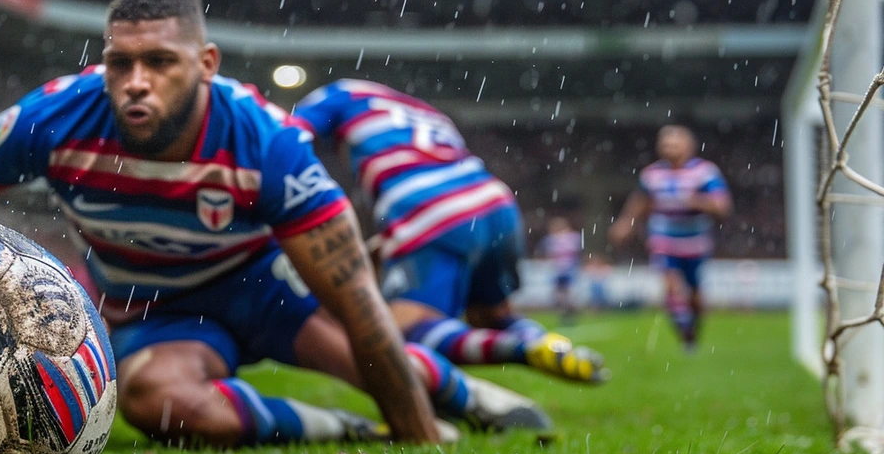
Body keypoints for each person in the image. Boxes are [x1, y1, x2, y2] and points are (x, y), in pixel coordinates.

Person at [0, 0, 549, 448]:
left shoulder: (267, 144)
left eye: (161, 62)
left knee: (371, 358)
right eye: (121, 63)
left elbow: (358, 302)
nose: (136, 84)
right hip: (150, 308)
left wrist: (422, 439)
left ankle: (464, 397)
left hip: (263, 289)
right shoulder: (57, 116)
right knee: (157, 405)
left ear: (207, 63)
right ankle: (343, 427)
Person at [292, 80, 606, 384]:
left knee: (398, 335)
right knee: (492, 316)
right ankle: (551, 347)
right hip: (495, 202)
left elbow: (287, 138)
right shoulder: (429, 114)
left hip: (429, 205)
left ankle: (523, 350)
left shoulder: (341, 93)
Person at [610, 125, 732, 351]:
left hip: (695, 240)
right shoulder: (652, 174)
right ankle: (683, 330)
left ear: (689, 146)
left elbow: (722, 206)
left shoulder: (705, 172)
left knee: (694, 292)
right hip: (663, 237)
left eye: (674, 143)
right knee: (671, 285)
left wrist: (697, 201)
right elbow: (640, 201)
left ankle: (693, 328)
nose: (669, 148)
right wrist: (626, 222)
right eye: (665, 143)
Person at [540, 215, 583, 324]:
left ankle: (568, 312)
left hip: (566, 270)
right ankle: (567, 312)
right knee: (561, 294)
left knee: (565, 293)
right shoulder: (555, 239)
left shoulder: (569, 238)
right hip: (560, 270)